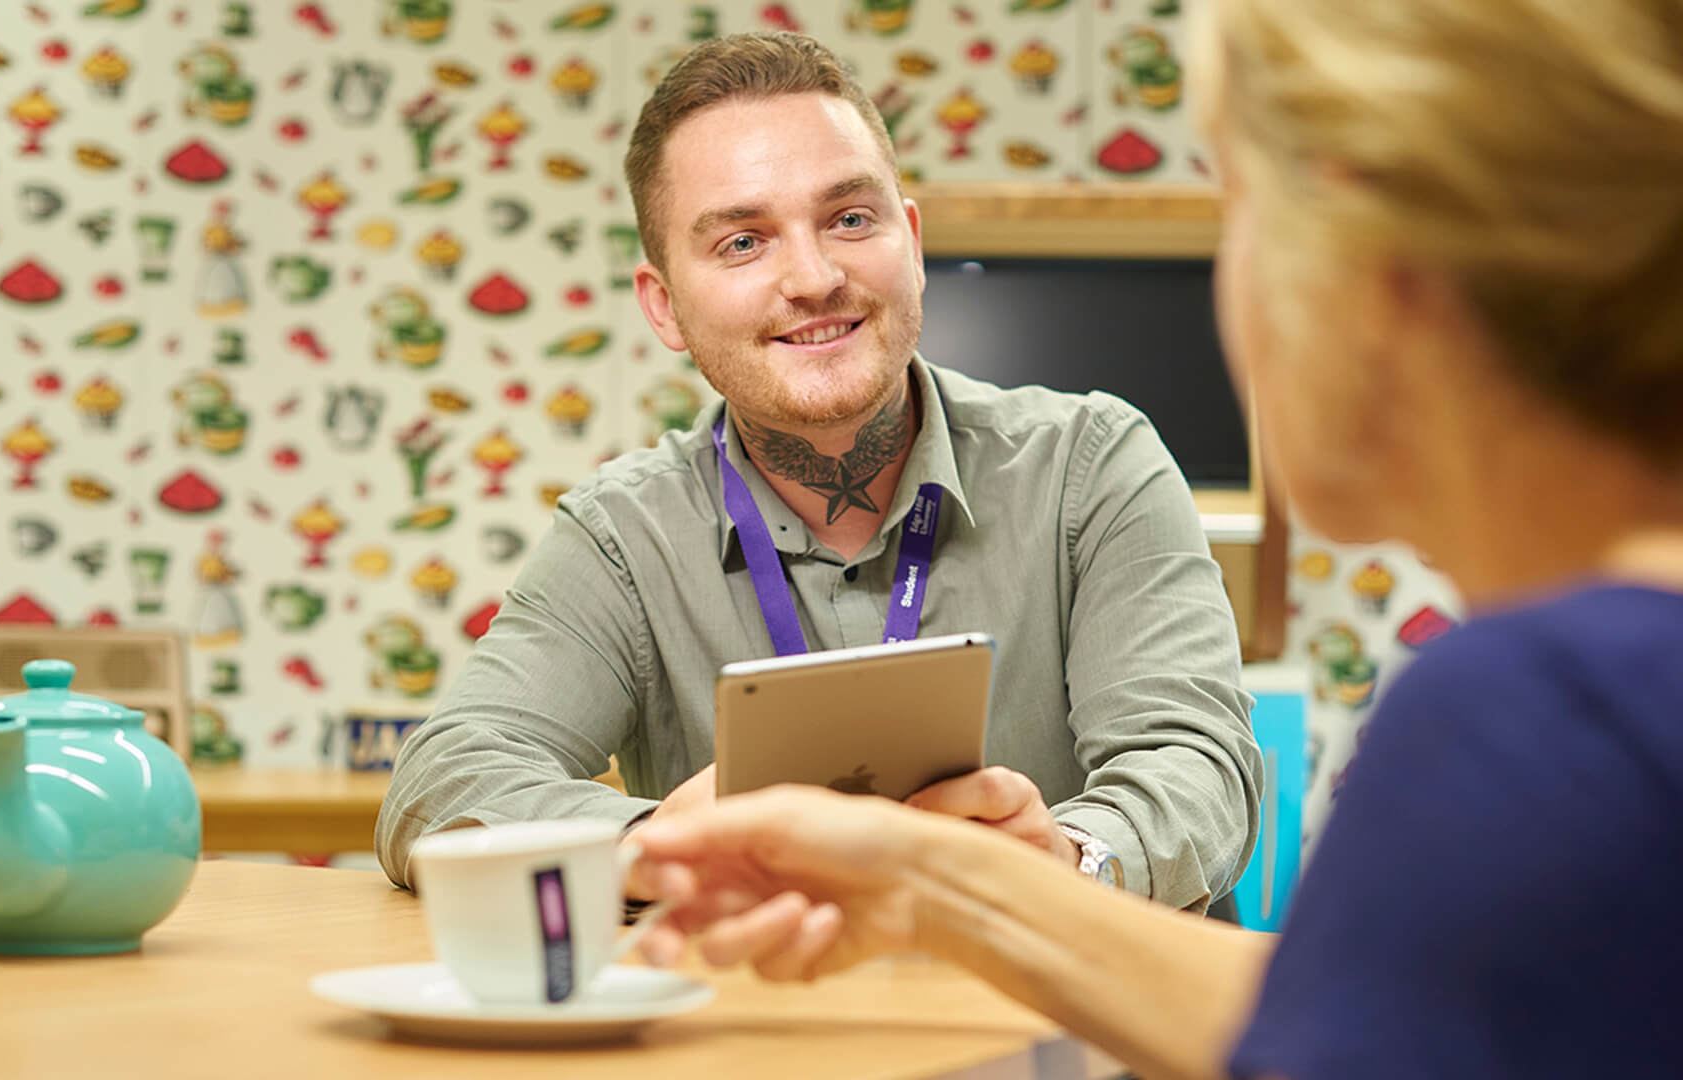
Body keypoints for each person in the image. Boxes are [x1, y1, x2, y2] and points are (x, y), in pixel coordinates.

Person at [626, 1, 1683, 1076]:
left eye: (1241, 212)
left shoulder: (1544, 717)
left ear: (1379, 273)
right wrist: (936, 883)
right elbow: (1346, 1012)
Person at [377, 32, 1262, 912]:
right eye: (742, 242)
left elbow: (1197, 764)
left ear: (909, 242)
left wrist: (1071, 858)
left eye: (848, 219)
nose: (813, 276)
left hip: (1058, 1020)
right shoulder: (621, 536)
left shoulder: (1094, 466)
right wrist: (645, 848)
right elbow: (447, 778)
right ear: (665, 305)